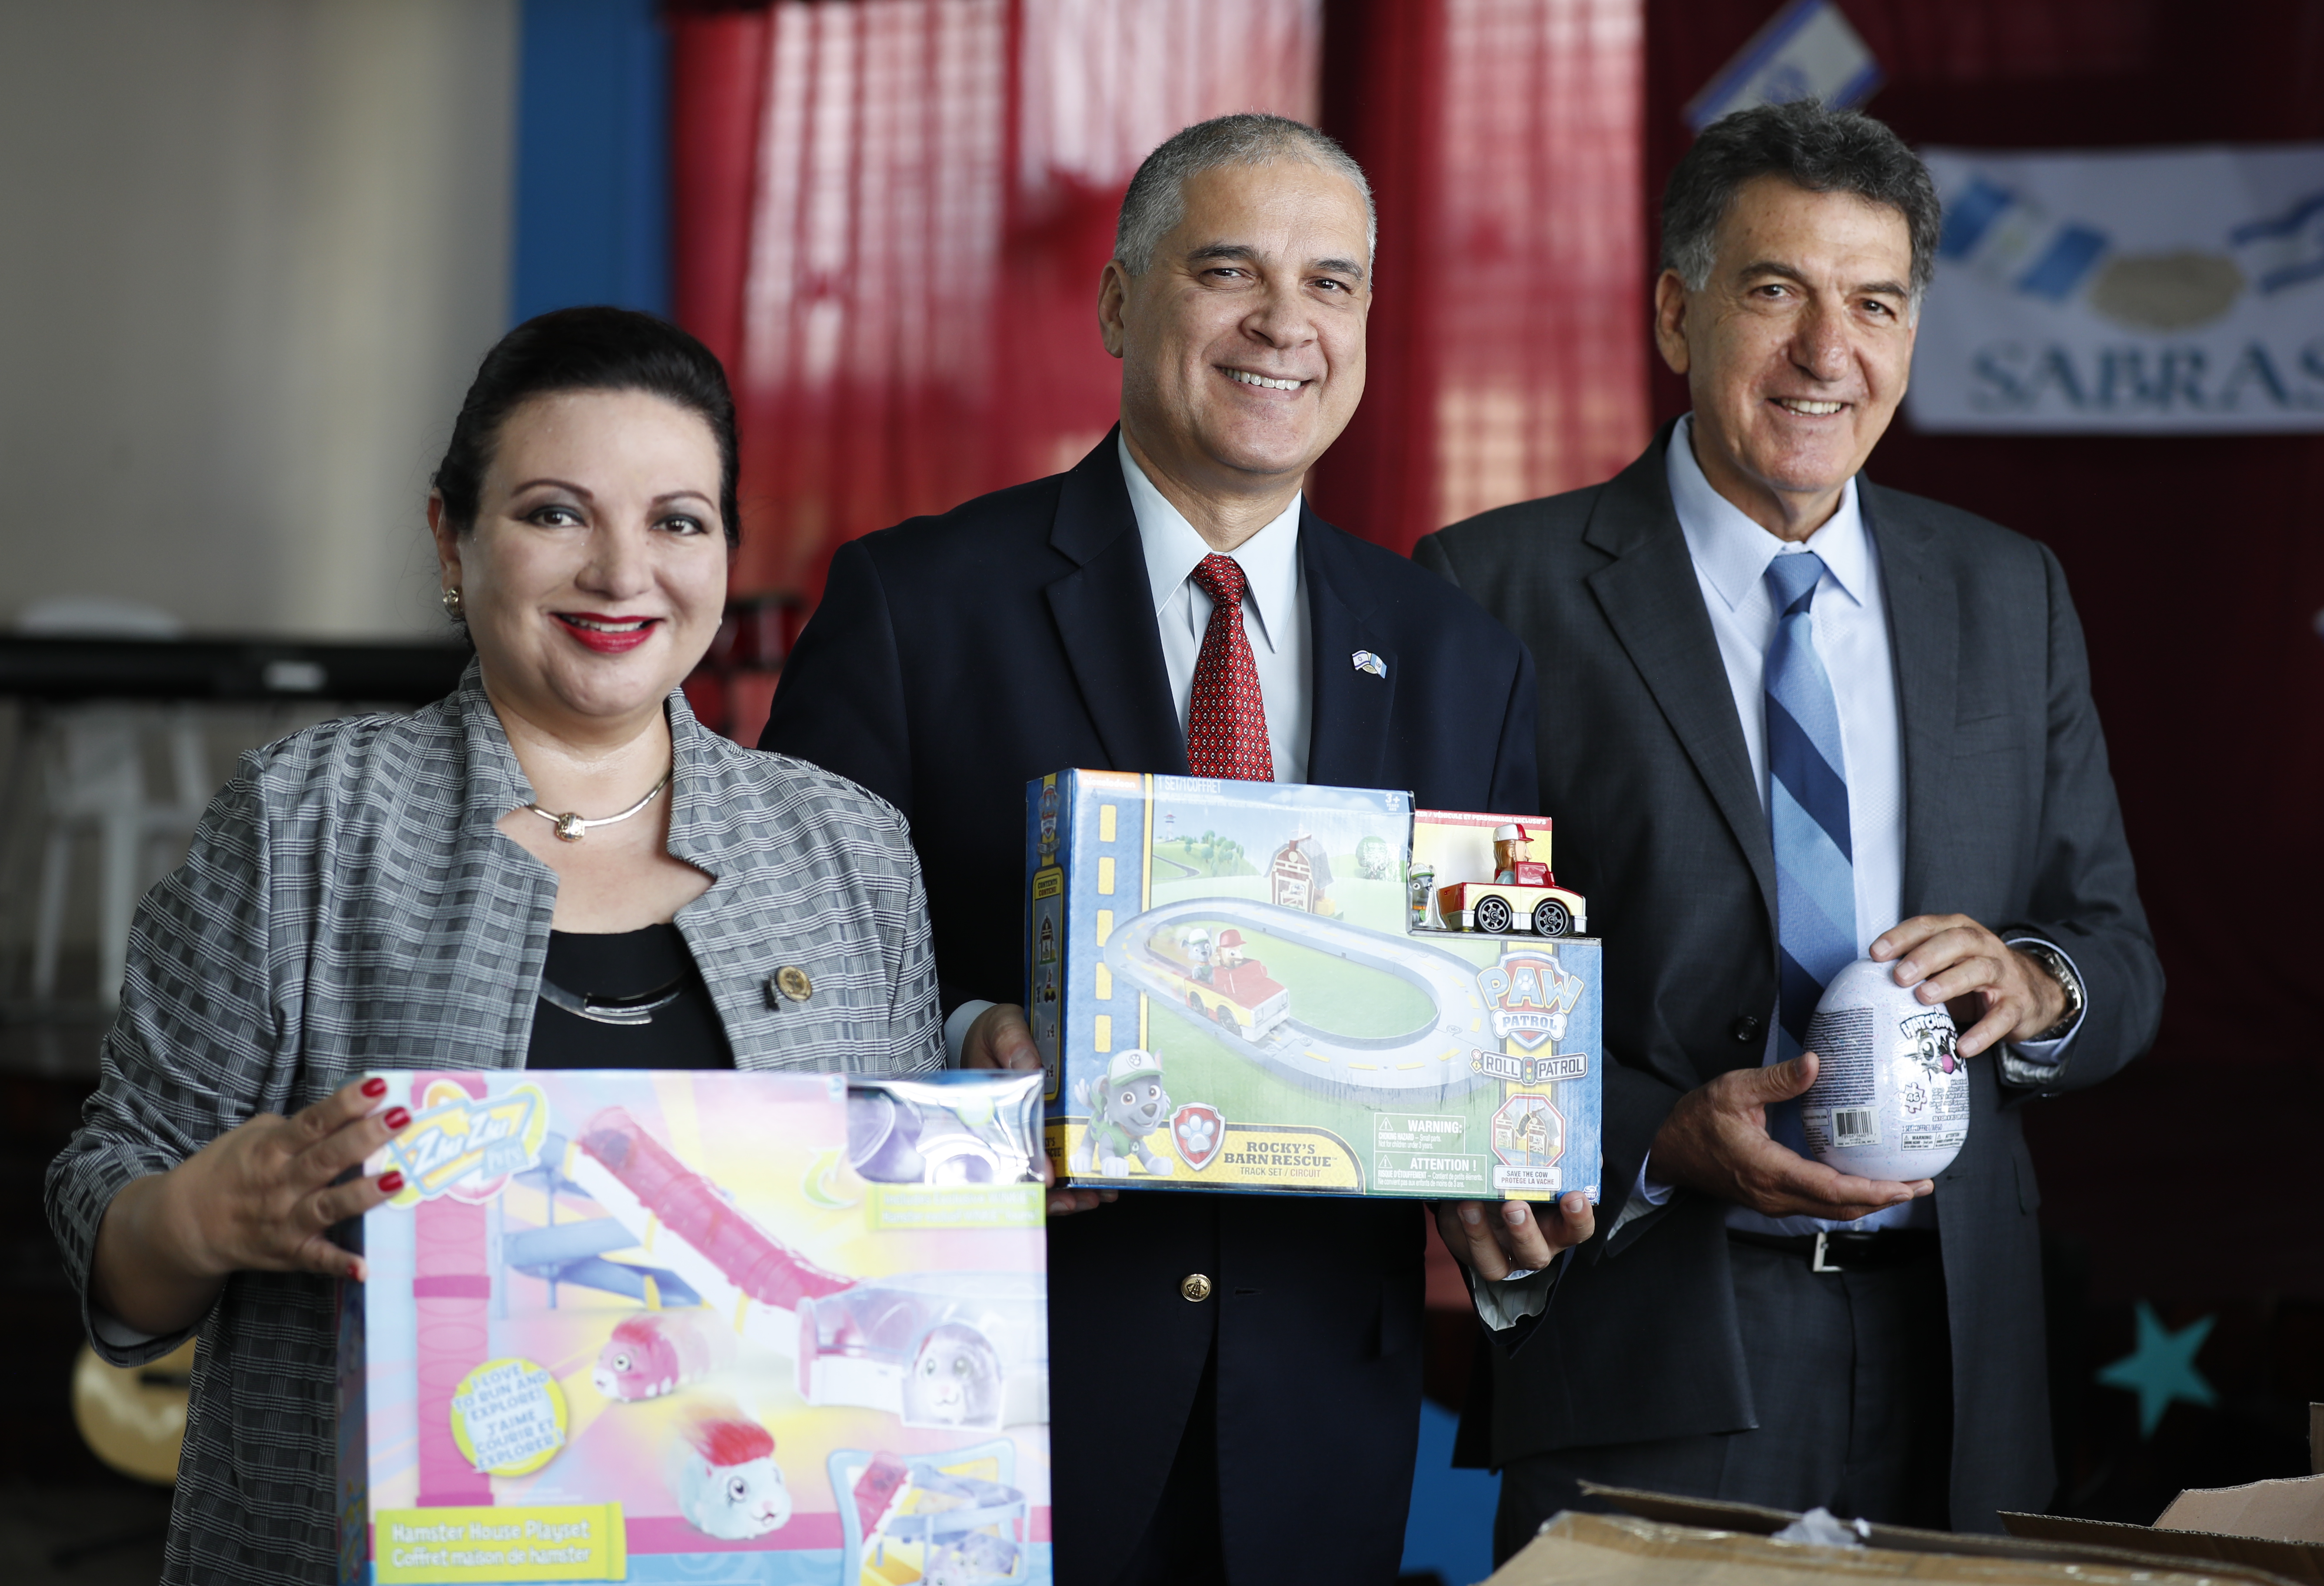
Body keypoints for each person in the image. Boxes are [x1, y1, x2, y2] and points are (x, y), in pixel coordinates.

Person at [760, 113, 1584, 1585]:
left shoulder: (1460, 656)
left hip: (1318, 1430)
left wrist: (1504, 1165)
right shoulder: (915, 606)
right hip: (990, 1390)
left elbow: (1481, 1018)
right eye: (1229, 271)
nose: (1285, 324)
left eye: (1331, 284)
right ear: (1118, 302)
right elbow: (778, 985)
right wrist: (962, 1043)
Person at [45, 307, 942, 1584]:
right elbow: (109, 1204)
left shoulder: (847, 848)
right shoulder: (309, 819)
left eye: (678, 521)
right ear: (451, 541)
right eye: (557, 514)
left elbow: (888, 1241)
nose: (622, 574)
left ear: (725, 554)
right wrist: (196, 1216)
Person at [1415, 100, 2162, 1547]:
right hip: (1651, 1337)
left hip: (1961, 1358)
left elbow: (2117, 952)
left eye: (1874, 304)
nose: (1830, 352)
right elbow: (1446, 993)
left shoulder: (2010, 593)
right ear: (1675, 315)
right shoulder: (1494, 592)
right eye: (1777, 292)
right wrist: (1660, 1136)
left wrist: (2038, 983)